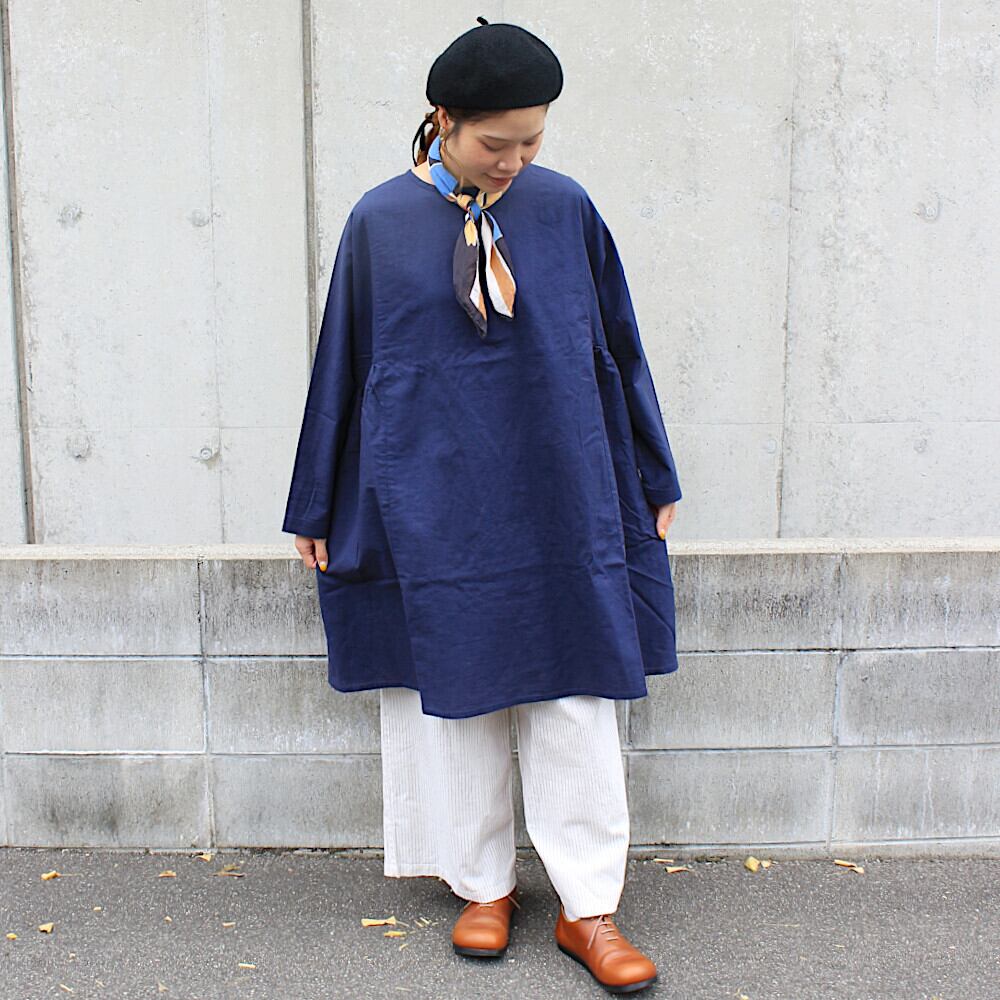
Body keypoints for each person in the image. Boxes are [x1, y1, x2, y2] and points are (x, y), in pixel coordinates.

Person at [282, 17, 682, 995]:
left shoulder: (564, 209)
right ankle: (480, 885)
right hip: (431, 493)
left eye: (531, 141)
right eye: (495, 143)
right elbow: (343, 366)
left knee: (576, 691)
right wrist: (316, 502)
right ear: (443, 120)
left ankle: (589, 906)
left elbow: (619, 344)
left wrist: (651, 476)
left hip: (563, 484)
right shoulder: (381, 222)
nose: (513, 161)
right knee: (451, 690)